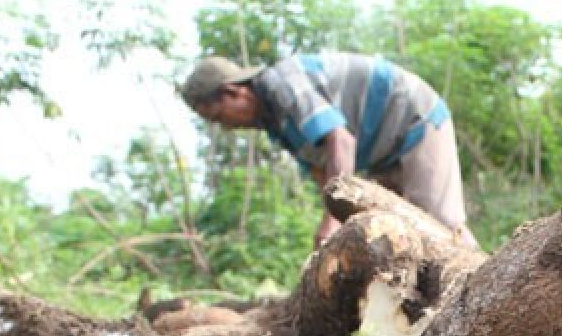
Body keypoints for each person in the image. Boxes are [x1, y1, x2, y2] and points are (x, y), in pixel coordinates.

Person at [181, 52, 479, 249]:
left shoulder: (283, 84)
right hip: (381, 152)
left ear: (234, 92)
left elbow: (341, 141)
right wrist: (338, 226)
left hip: (414, 119)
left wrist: (333, 221)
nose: (227, 128)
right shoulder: (275, 124)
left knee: (442, 225)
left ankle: (488, 294)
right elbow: (322, 170)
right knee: (394, 235)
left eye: (220, 117)